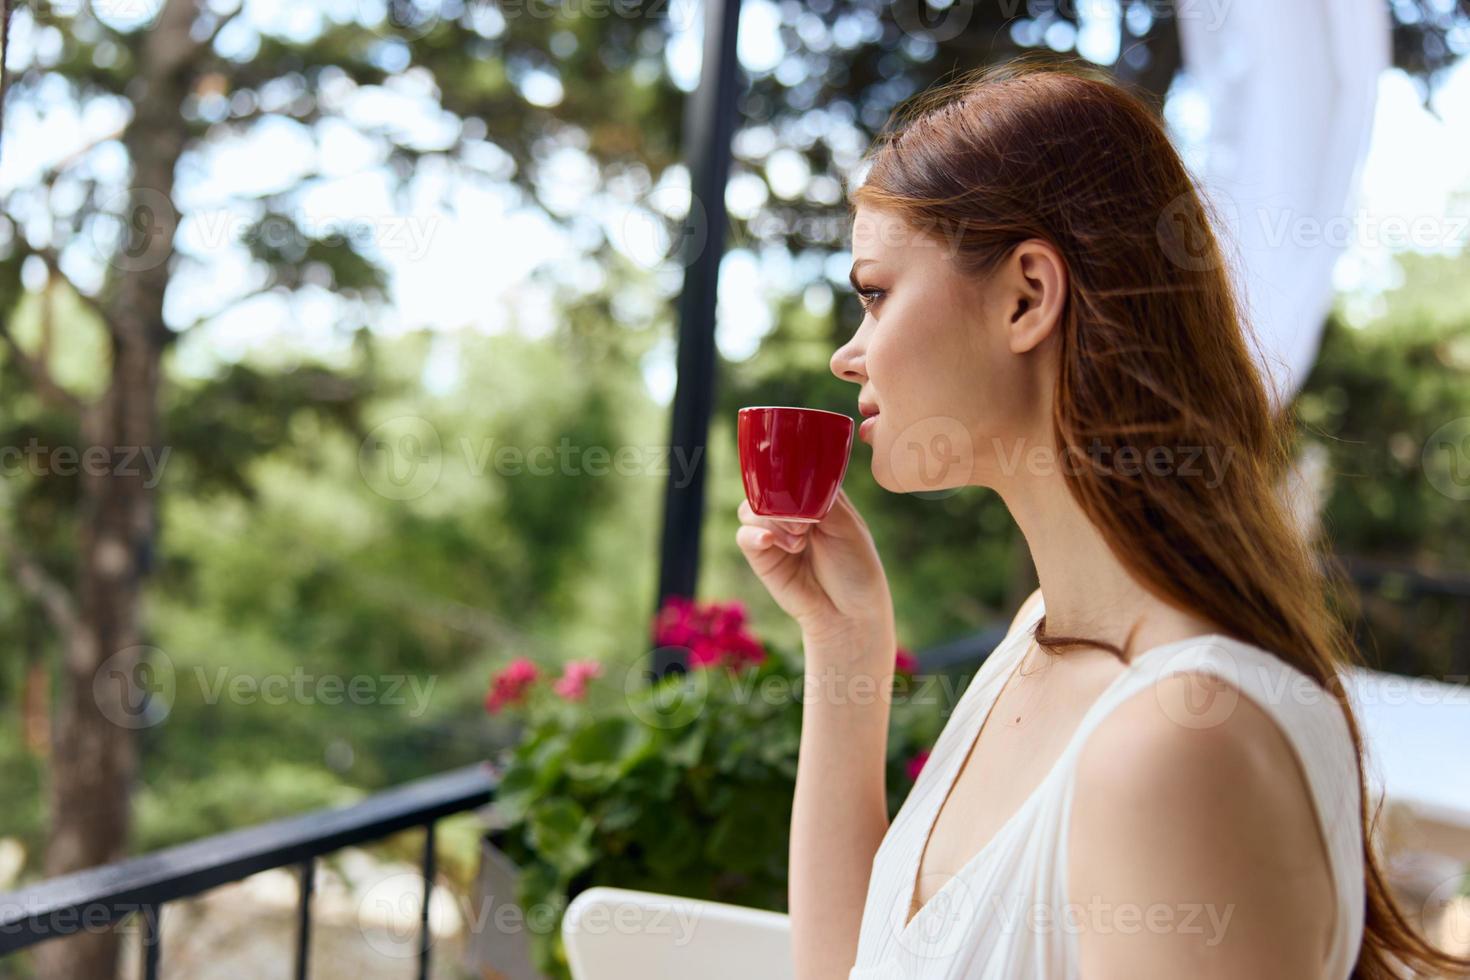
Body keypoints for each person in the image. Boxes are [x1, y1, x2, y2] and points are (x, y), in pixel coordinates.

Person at [736, 59, 1469, 980]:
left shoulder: (1178, 738)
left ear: (1028, 297)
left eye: (876, 292)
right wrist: (846, 646)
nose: (851, 355)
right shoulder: (1038, 641)